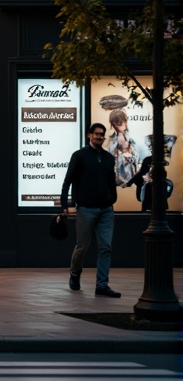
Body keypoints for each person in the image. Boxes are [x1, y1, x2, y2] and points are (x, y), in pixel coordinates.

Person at [59, 122, 120, 297]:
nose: (100, 137)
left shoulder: (109, 158)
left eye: (102, 134)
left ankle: (102, 285)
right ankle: (75, 273)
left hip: (106, 210)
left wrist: (112, 199)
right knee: (82, 247)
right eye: (97, 134)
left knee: (105, 247)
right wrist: (65, 205)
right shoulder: (79, 156)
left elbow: (111, 181)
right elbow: (68, 181)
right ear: (89, 135)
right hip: (86, 209)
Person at [105, 108, 146, 188]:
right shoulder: (111, 141)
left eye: (120, 123)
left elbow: (139, 158)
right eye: (116, 123)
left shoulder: (133, 140)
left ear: (125, 122)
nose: (119, 125)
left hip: (132, 176)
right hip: (118, 177)